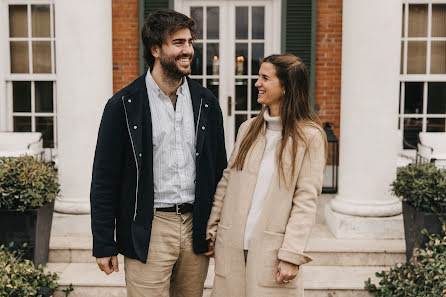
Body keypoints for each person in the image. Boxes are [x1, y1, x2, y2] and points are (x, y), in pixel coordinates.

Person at [90, 8, 227, 297]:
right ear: (155, 49)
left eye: (189, 42)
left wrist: (218, 226)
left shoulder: (206, 102)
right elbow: (104, 179)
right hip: (149, 227)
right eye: (178, 43)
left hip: (195, 226)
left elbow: (219, 171)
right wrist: (104, 243)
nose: (187, 50)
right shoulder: (123, 105)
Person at [205, 54, 327, 297]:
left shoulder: (310, 137)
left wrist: (292, 254)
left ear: (286, 87)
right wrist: (212, 229)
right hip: (232, 247)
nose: (257, 83)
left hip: (272, 253)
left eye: (265, 78)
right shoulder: (248, 129)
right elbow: (227, 181)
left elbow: (305, 200)